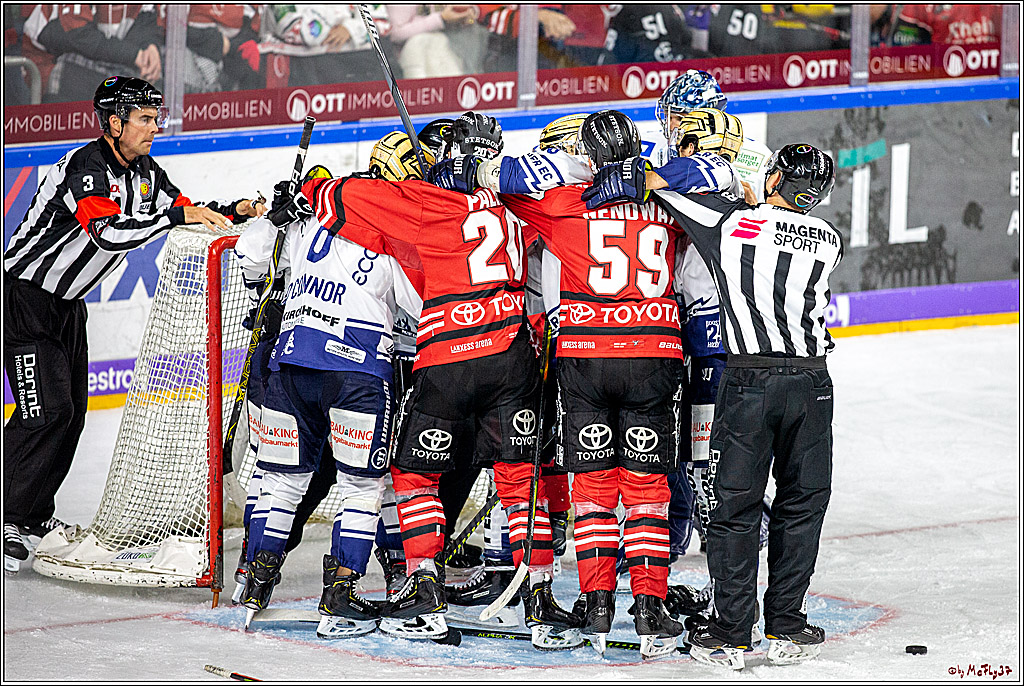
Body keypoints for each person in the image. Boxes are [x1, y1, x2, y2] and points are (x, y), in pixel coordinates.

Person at [273, 125, 582, 650]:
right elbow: (580, 185)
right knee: (516, 477)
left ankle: (424, 591)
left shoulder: (424, 200)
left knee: (413, 474)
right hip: (512, 353)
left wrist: (308, 187)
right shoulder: (519, 197)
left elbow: (340, 197)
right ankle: (541, 599)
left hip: (448, 354)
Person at [3, 76, 263, 574]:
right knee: (46, 412)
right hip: (25, 299)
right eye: (143, 119)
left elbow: (184, 209)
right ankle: (6, 514)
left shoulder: (144, 170)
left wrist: (233, 211)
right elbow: (107, 233)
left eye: (154, 117)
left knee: (72, 414)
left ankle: (33, 516)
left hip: (68, 306)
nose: (153, 127)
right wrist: (175, 220)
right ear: (114, 123)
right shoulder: (87, 167)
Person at [602, 143, 841, 669]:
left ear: (776, 178)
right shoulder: (830, 241)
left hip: (750, 381)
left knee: (735, 509)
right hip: (812, 384)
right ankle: (787, 627)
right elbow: (785, 230)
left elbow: (658, 187)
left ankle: (731, 633)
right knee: (802, 506)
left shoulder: (732, 226)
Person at [495, 110, 689, 660]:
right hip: (655, 354)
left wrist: (566, 169)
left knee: (593, 488)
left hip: (584, 359)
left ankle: (597, 602)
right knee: (648, 491)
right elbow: (727, 183)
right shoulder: (667, 200)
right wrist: (655, 176)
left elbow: (500, 183)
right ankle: (649, 606)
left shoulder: (567, 204)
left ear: (589, 154)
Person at [234, 138, 422, 636]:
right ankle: (341, 593)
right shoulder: (391, 226)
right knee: (361, 487)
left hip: (291, 366)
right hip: (357, 372)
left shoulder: (313, 212)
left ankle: (255, 580)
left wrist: (273, 216)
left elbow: (248, 254)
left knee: (281, 482)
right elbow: (421, 302)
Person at [26, 5, 163, 103]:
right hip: (42, 64)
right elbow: (78, 37)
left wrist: (149, 46)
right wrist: (135, 55)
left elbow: (146, 24)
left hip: (103, 61)